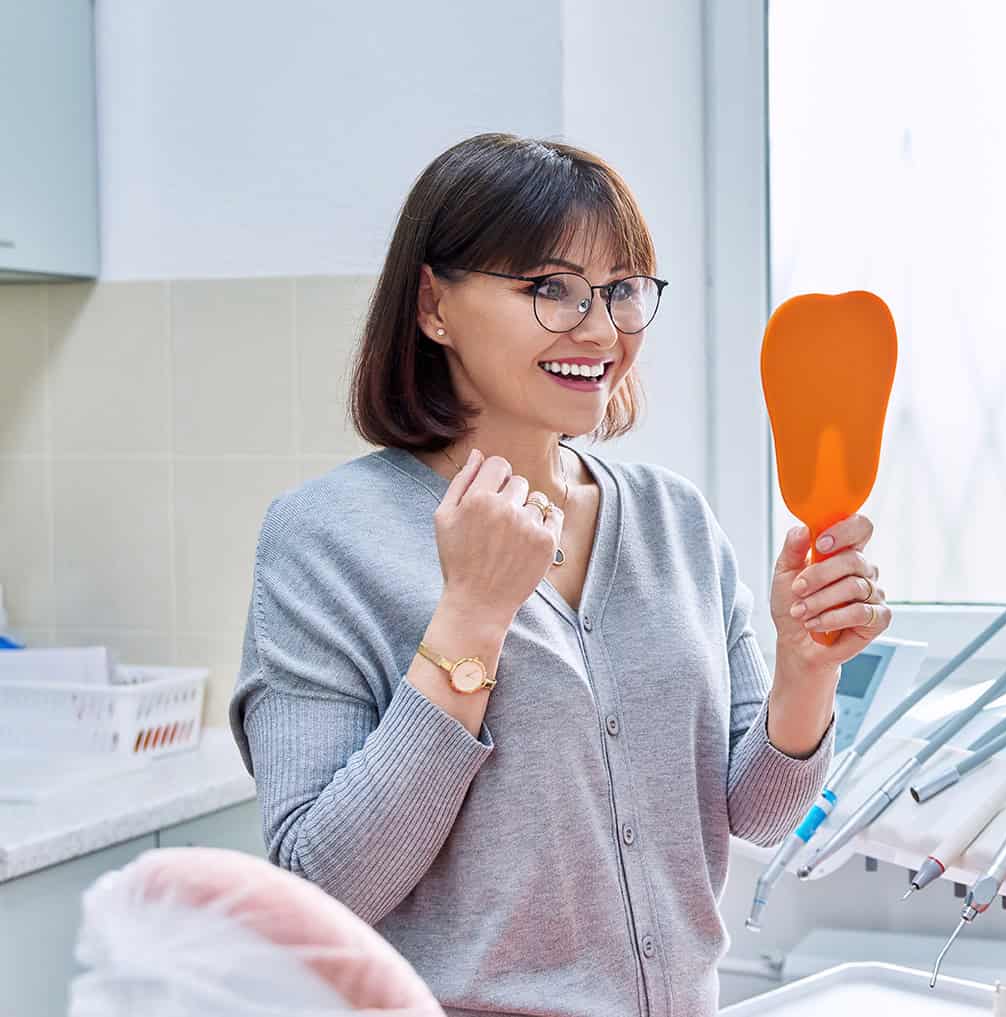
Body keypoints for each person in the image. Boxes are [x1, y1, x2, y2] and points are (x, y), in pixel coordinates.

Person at [229, 133, 892, 1017]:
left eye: (620, 290)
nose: (600, 328)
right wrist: (470, 618)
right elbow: (320, 891)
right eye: (550, 289)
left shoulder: (673, 519)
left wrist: (805, 670)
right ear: (432, 304)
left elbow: (755, 813)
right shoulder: (325, 537)